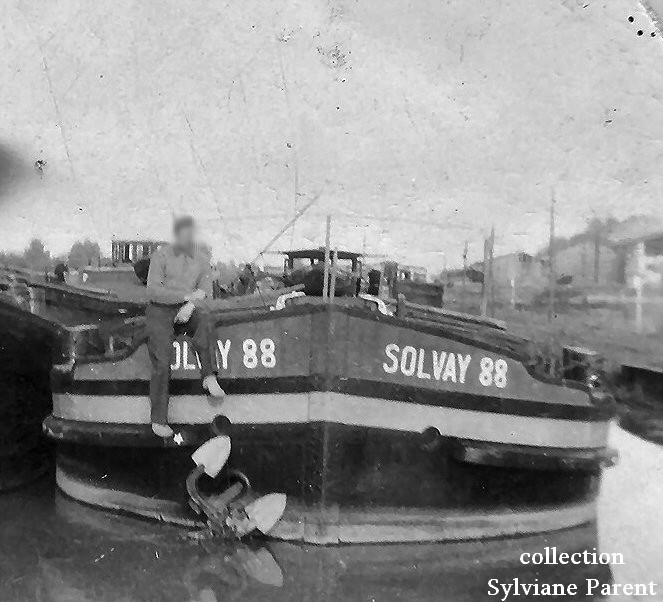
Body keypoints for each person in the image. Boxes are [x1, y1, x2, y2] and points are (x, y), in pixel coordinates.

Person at [146, 215, 225, 438]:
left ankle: (209, 377)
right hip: (159, 311)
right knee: (162, 361)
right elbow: (154, 291)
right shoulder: (160, 256)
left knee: (205, 320)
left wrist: (190, 305)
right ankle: (158, 420)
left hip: (186, 310)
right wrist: (186, 296)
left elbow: (205, 291)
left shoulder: (201, 260)